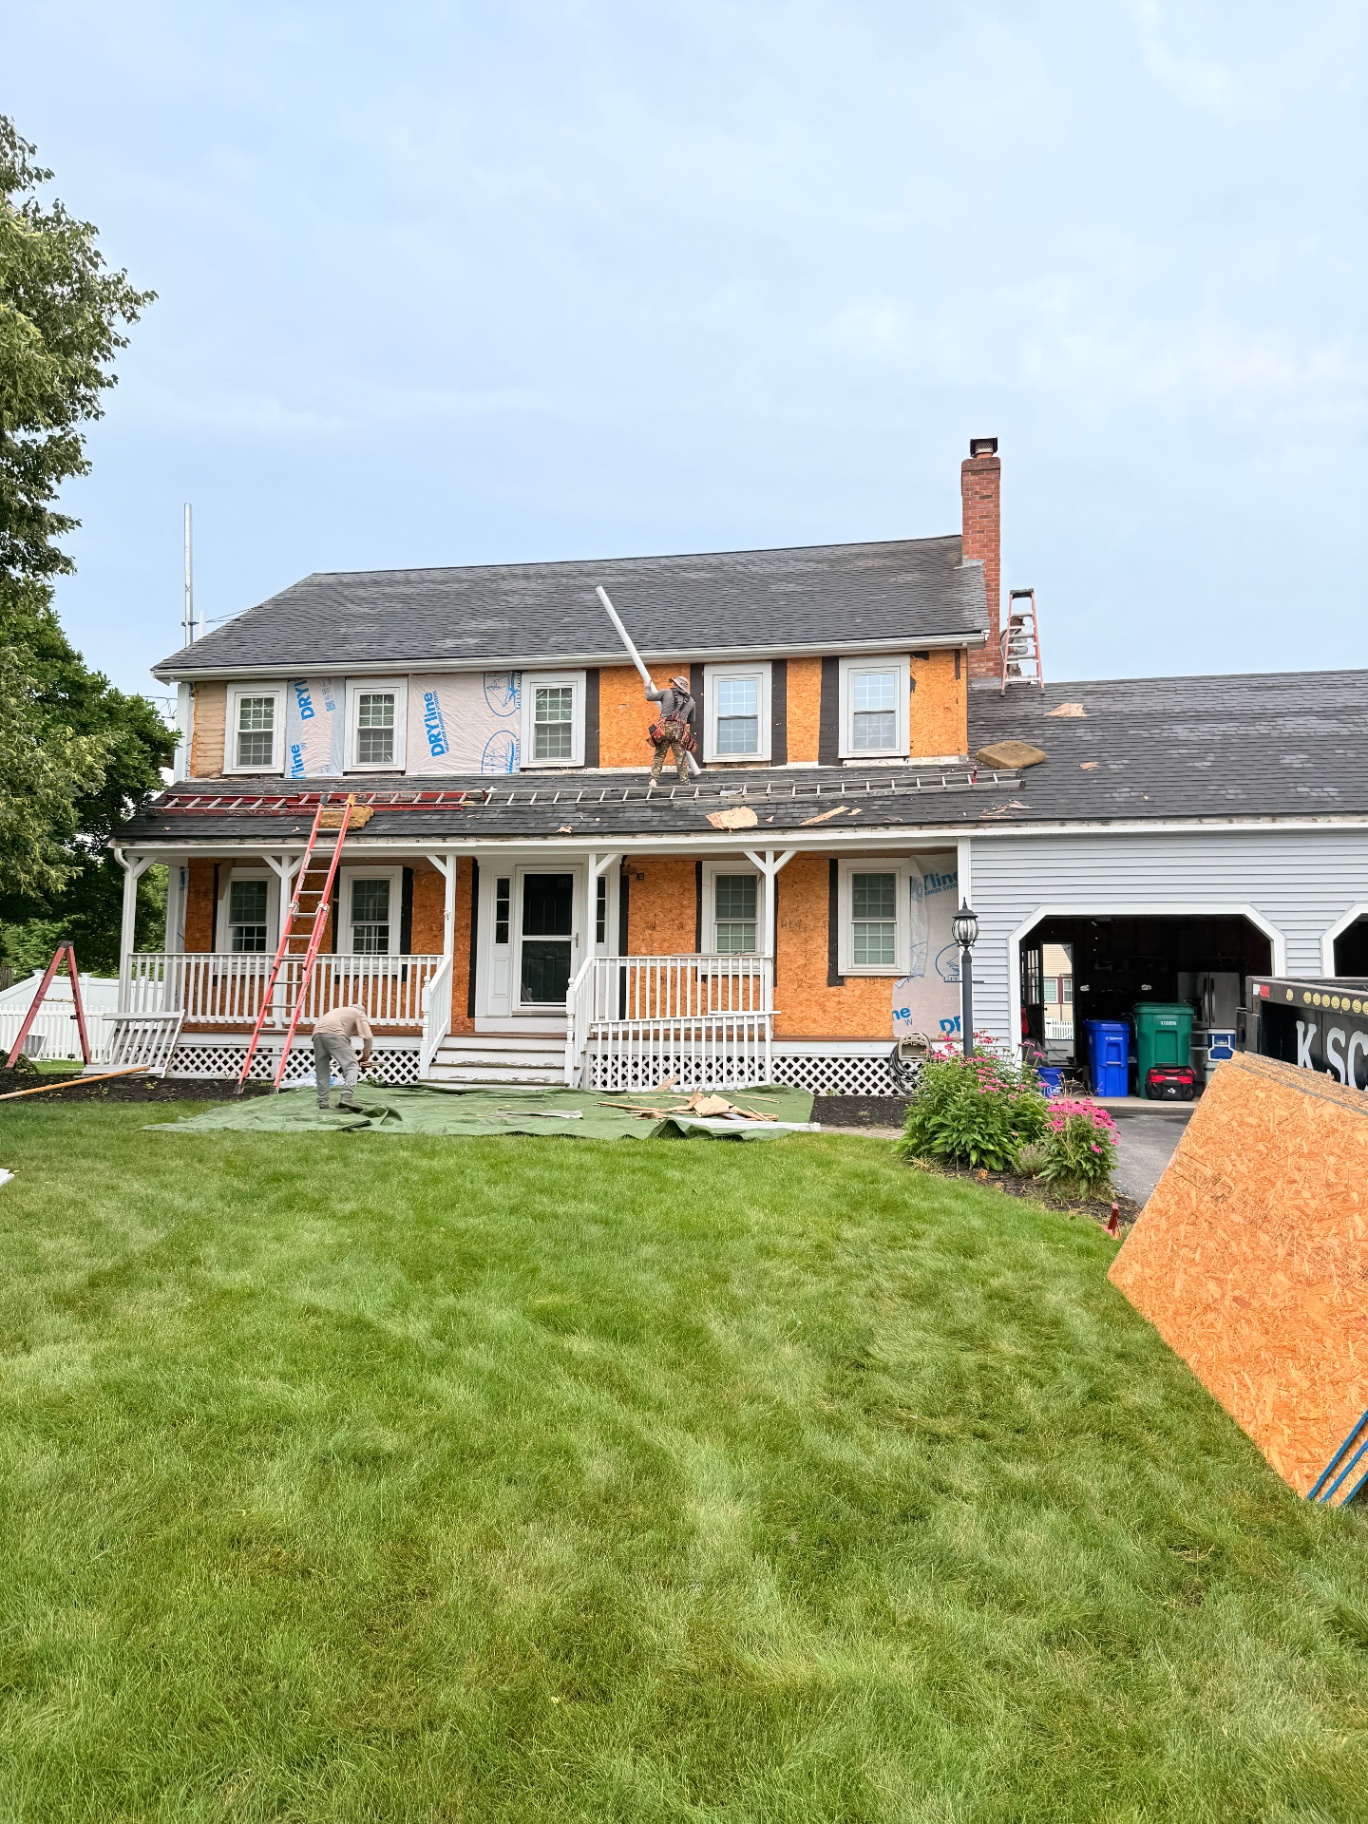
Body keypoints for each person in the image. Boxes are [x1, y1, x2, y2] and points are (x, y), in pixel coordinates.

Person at [312, 1004, 373, 1110]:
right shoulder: (359, 1013)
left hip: (317, 1033)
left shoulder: (338, 1010)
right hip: (335, 1033)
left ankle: (322, 1102)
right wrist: (365, 1057)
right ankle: (347, 1097)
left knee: (322, 1069)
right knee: (352, 1066)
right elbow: (368, 1037)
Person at [645, 674, 696, 784]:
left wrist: (647, 686)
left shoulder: (666, 692)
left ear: (675, 684)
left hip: (664, 728)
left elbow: (649, 697)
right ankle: (684, 781)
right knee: (680, 757)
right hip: (679, 730)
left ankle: (654, 780)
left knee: (659, 756)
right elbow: (691, 720)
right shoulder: (691, 701)